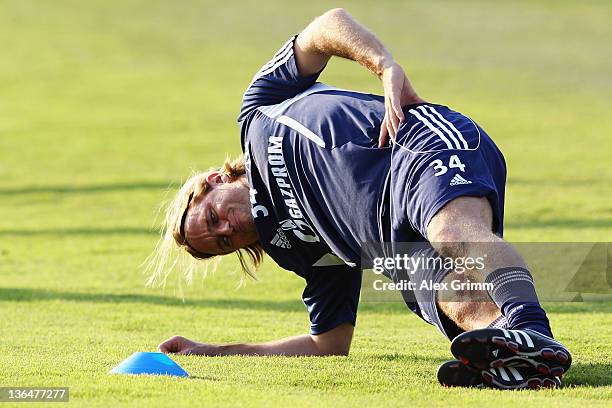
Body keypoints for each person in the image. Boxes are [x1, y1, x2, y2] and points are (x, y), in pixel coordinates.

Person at [148, 8, 572, 389]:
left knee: (452, 233)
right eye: (223, 242)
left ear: (213, 181)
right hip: (393, 244)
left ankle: (532, 329)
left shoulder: (258, 114)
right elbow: (327, 343)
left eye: (214, 217)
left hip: (414, 146)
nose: (228, 228)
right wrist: (212, 351)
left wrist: (384, 66)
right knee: (448, 295)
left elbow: (326, 27)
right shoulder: (299, 252)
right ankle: (518, 356)